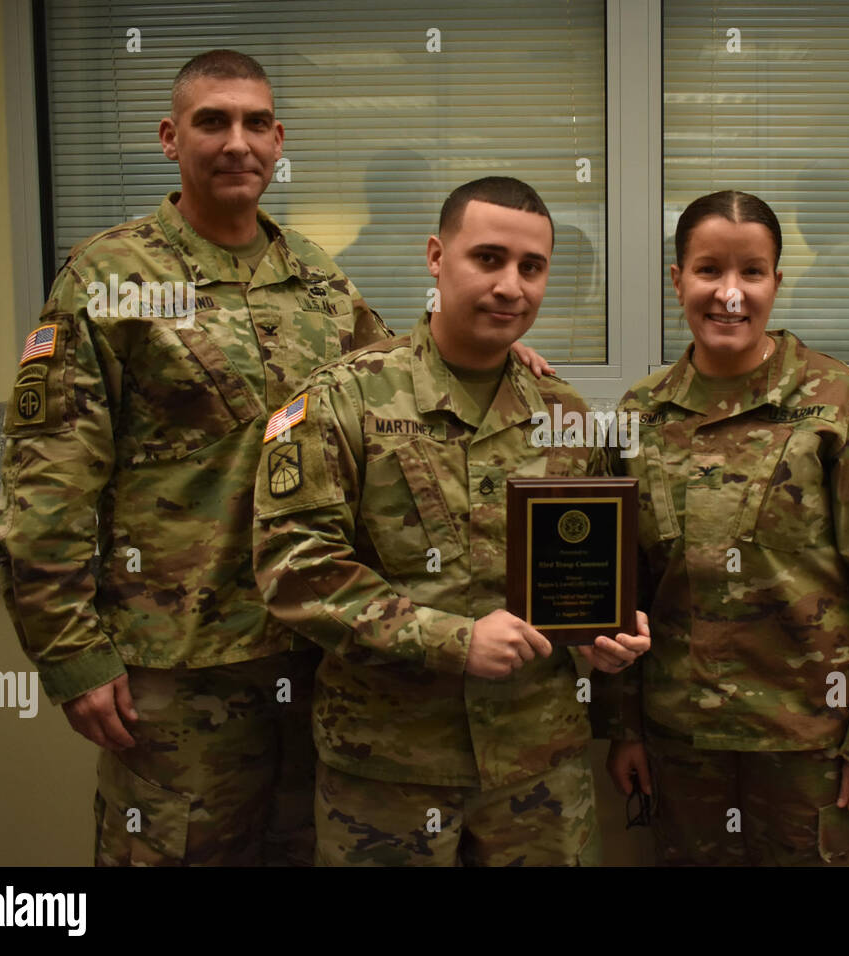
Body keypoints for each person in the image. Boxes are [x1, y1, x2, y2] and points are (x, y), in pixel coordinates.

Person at [0, 49, 553, 867]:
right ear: (169, 137)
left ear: (280, 140)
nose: (237, 142)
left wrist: (501, 356)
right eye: (212, 121)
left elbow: (400, 378)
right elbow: (48, 483)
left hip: (314, 654)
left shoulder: (318, 280)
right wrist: (72, 653)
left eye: (257, 123)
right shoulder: (108, 279)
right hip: (178, 664)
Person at [251, 176, 651, 867]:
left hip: (537, 768)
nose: (511, 286)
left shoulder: (568, 415)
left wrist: (601, 638)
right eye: (488, 258)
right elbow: (294, 569)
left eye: (533, 267)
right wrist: (450, 640)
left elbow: (586, 576)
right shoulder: (344, 399)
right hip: (389, 771)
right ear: (437, 256)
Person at [594, 190, 849, 866]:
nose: (730, 293)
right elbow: (624, 587)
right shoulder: (640, 415)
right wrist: (624, 726)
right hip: (682, 740)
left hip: (813, 743)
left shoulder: (841, 406)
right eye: (709, 270)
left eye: (752, 272)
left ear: (777, 281)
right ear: (677, 280)